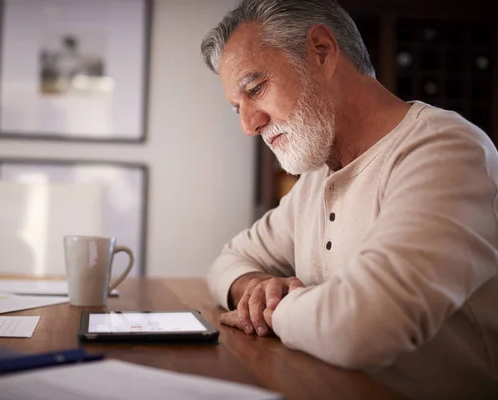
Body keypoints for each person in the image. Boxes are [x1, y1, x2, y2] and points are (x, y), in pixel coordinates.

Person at [200, 0, 498, 398]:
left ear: (321, 51)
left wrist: (279, 306)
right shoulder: (316, 178)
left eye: (255, 89)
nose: (249, 125)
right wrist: (256, 286)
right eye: (238, 107)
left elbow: (362, 329)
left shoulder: (445, 150)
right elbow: (227, 262)